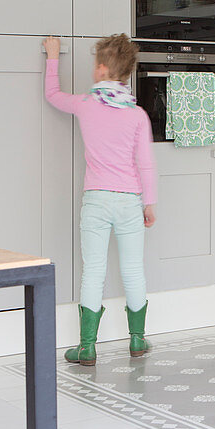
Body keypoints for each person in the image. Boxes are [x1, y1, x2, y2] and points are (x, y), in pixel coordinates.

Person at [43, 33, 157, 366]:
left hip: (96, 199)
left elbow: (52, 95)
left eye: (95, 64)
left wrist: (52, 56)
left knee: (93, 272)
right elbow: (145, 164)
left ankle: (87, 347)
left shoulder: (85, 104)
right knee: (134, 270)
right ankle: (137, 340)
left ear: (102, 69)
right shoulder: (137, 115)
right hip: (129, 201)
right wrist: (149, 202)